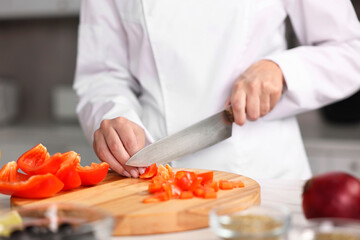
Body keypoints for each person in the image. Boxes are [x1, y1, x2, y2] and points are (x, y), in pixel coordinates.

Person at [73, 0, 360, 180]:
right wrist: (115, 118)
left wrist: (282, 70)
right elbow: (101, 74)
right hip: (154, 175)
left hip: (264, 178)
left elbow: (351, 50)